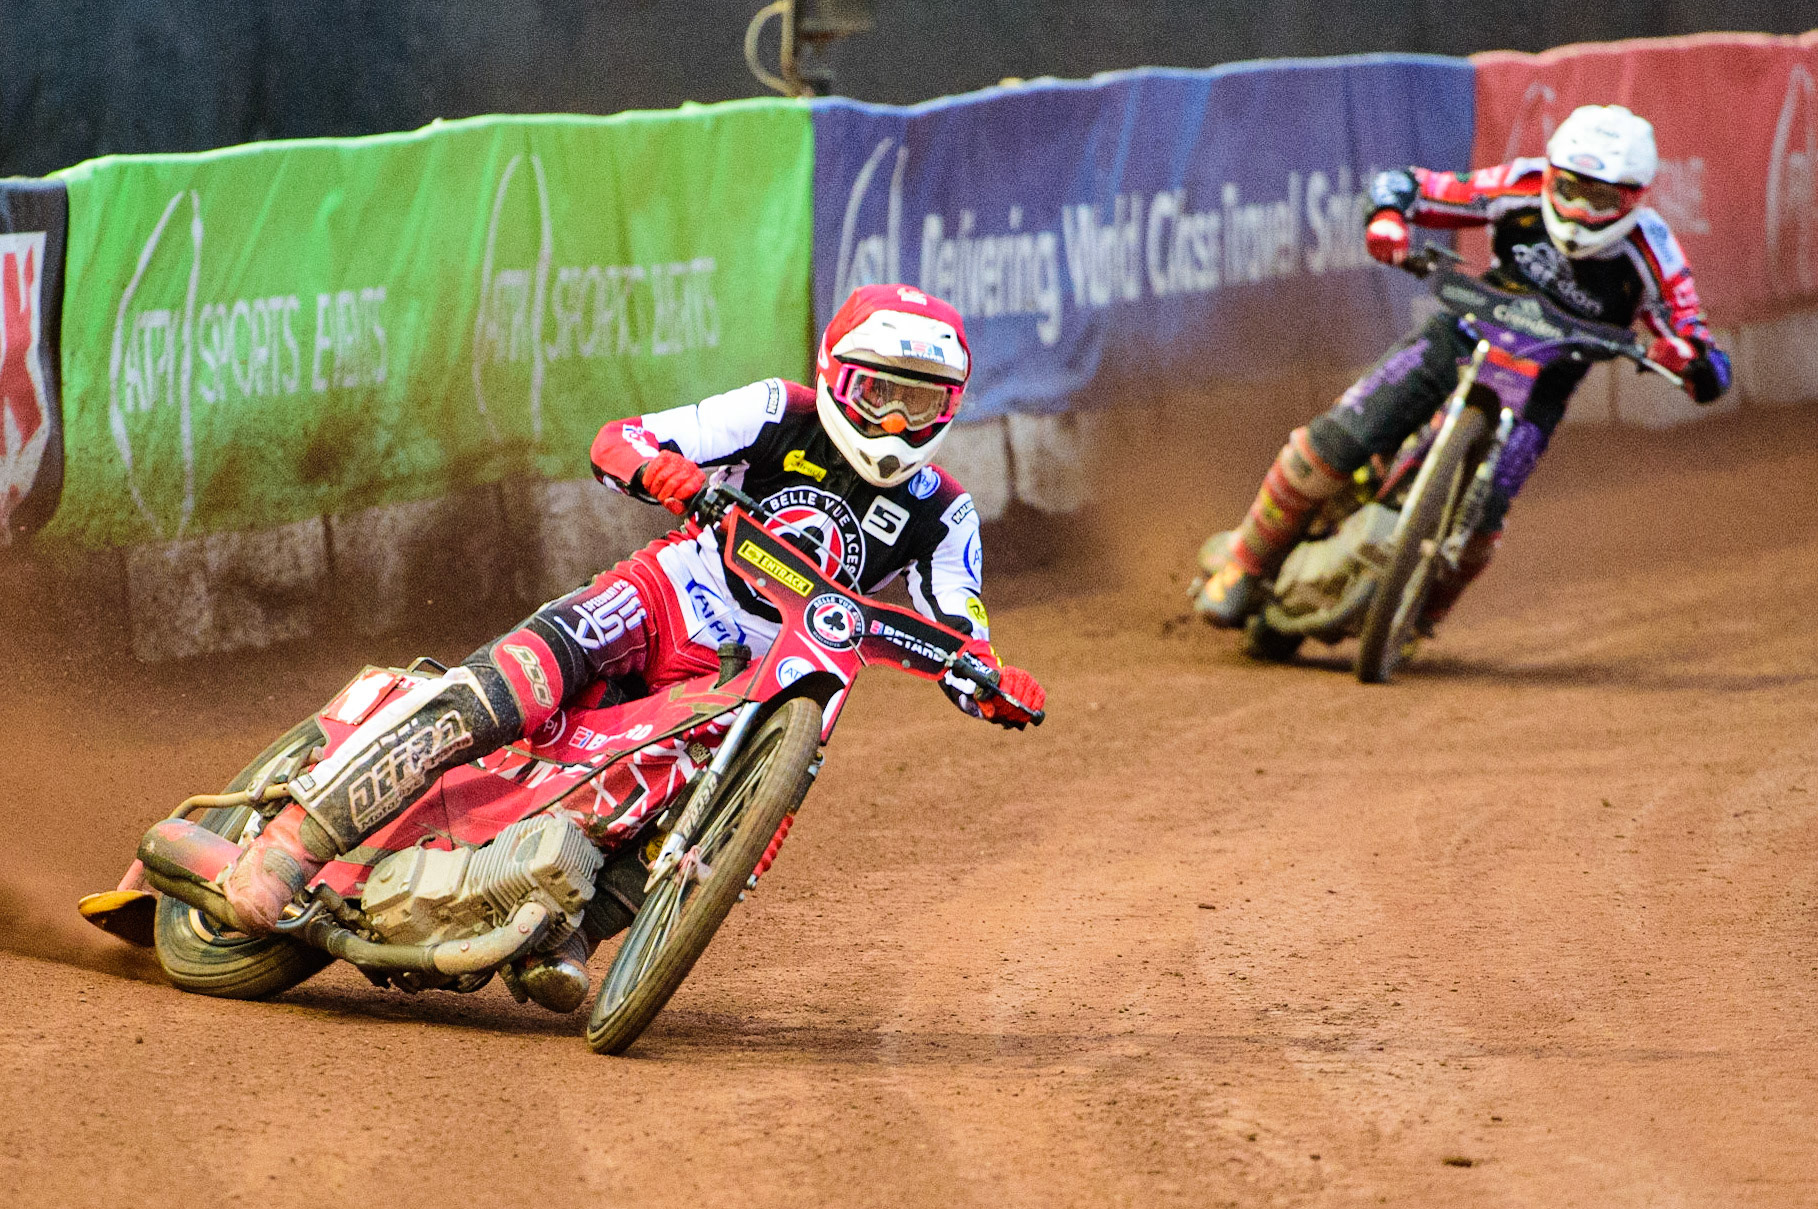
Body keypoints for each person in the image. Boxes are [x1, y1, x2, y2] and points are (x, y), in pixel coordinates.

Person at [221, 283, 1045, 941]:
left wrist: (990, 682)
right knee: (515, 686)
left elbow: (959, 632)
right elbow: (621, 438)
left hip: (753, 682)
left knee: (700, 820)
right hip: (664, 596)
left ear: (952, 407)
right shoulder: (776, 410)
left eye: (919, 403)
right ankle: (293, 842)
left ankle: (561, 933)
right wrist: (665, 475)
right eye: (876, 394)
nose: (895, 423)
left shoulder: (947, 514)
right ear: (834, 376)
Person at [1191, 104, 1732, 630]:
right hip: (1465, 330)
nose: (1578, 210)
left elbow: (1702, 349)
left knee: (1485, 519)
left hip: (1546, 377)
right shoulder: (1519, 186)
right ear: (1550, 176)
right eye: (1567, 188)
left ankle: (1421, 616)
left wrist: (1690, 360)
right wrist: (1388, 219)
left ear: (1634, 197)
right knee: (1335, 442)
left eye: (1599, 197)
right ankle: (1245, 565)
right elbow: (1410, 186)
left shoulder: (1654, 251)